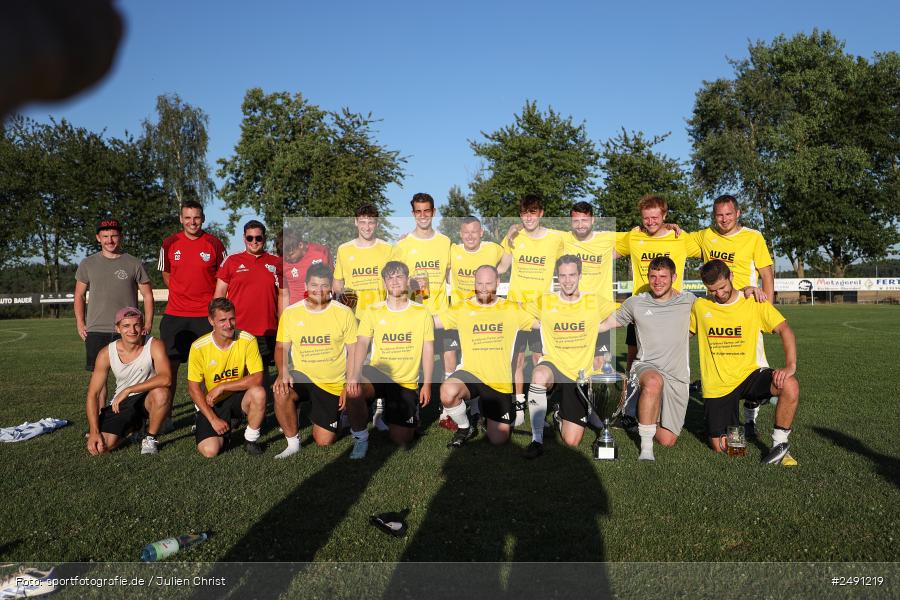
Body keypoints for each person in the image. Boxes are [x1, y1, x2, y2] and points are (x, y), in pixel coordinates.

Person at [691, 259, 800, 464]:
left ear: (731, 276)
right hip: (719, 386)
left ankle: (779, 446)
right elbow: (683, 334)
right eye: (713, 290)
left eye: (722, 287)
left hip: (750, 375)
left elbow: (785, 329)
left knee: (790, 385)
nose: (719, 294)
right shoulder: (700, 306)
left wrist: (790, 366)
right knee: (730, 448)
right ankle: (740, 425)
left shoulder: (753, 302)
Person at [687, 194, 775, 434]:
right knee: (721, 367)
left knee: (753, 369)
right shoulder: (706, 236)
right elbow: (677, 242)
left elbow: (766, 274)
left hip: (745, 309)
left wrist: (767, 309)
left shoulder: (753, 237)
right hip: (715, 312)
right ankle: (729, 413)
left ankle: (750, 421)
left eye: (728, 214)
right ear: (713, 216)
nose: (724, 219)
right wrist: (666, 226)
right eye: (719, 214)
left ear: (738, 213)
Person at [596, 257, 697, 461]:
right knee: (653, 382)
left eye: (663, 277)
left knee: (667, 440)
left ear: (674, 277)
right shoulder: (636, 303)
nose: (657, 281)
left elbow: (722, 306)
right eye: (653, 276)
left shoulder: (689, 301)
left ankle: (643, 413)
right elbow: (605, 325)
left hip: (677, 375)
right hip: (646, 366)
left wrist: (748, 290)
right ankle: (646, 449)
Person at [523, 255, 616, 459]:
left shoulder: (593, 301)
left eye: (572, 275)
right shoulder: (545, 301)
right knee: (539, 375)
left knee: (572, 441)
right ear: (557, 277)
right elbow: (519, 315)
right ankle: (536, 439)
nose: (567, 280)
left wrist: (601, 326)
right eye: (562, 276)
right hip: (554, 364)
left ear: (580, 275)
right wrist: (538, 324)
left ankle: (558, 415)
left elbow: (618, 316)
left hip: (580, 373)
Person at [435, 265, 537, 448]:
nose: (483, 287)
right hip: (471, 374)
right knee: (448, 391)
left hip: (499, 383)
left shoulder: (512, 309)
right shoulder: (463, 308)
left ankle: (482, 410)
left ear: (498, 283)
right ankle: (465, 427)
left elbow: (542, 324)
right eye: (479, 283)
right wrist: (405, 313)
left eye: (488, 283)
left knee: (498, 440)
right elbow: (433, 322)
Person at [346, 261, 434, 458]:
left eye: (399, 277)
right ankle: (360, 439)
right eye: (390, 278)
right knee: (354, 388)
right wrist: (353, 375)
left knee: (402, 440)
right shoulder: (372, 310)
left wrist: (427, 384)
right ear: (384, 283)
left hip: (406, 381)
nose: (394, 281)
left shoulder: (422, 312)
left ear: (407, 280)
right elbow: (361, 344)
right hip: (379, 372)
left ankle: (395, 413)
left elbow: (428, 349)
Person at [272, 263, 358, 457]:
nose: (318, 290)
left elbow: (354, 350)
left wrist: (347, 383)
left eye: (324, 285)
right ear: (305, 285)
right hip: (303, 376)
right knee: (280, 389)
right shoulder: (291, 313)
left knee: (324, 441)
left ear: (331, 288)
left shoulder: (343, 312)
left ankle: (342, 417)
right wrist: (283, 371)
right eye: (314, 285)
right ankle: (293, 444)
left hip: (332, 383)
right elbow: (280, 347)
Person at [615, 195, 701, 374]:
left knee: (670, 358)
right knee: (633, 357)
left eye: (655, 218)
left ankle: (668, 394)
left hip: (671, 308)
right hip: (641, 306)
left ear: (665, 216)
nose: (650, 222)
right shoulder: (634, 236)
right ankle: (628, 398)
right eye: (646, 218)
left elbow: (708, 251)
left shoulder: (680, 237)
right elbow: (608, 254)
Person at [498, 194, 565, 420]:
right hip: (516, 310)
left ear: (541, 214)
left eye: (533, 213)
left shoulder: (556, 238)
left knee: (539, 360)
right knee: (516, 359)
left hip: (541, 312)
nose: (528, 217)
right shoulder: (515, 237)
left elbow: (581, 244)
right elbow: (502, 267)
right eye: (525, 213)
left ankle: (539, 409)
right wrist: (507, 240)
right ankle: (518, 406)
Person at [75, 218, 153, 406]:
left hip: (129, 329)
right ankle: (101, 420)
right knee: (99, 381)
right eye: (105, 236)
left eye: (114, 236)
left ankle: (134, 421)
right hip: (97, 329)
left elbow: (148, 295)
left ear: (121, 237)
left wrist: (148, 322)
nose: (109, 240)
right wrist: (80, 322)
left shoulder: (134, 263)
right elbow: (79, 295)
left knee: (136, 377)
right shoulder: (88, 263)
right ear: (98, 238)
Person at [158, 200, 227, 404]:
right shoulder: (169, 243)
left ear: (203, 218)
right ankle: (165, 416)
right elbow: (166, 273)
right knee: (169, 368)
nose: (192, 222)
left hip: (205, 316)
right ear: (181, 219)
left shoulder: (215, 243)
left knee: (209, 368)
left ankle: (205, 414)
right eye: (187, 218)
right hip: (175, 315)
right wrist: (182, 293)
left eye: (196, 217)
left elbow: (224, 277)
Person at [85, 307, 172, 456]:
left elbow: (166, 378)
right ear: (117, 328)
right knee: (101, 448)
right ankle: (134, 430)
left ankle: (150, 437)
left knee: (162, 392)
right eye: (126, 326)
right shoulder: (106, 353)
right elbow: (93, 394)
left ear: (142, 326)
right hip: (121, 403)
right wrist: (94, 432)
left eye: (137, 325)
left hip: (147, 398)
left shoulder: (154, 344)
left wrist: (129, 389)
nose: (132, 330)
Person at [187, 298, 267, 457]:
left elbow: (257, 378)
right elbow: (193, 388)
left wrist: (222, 386)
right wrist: (212, 419)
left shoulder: (247, 340)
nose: (229, 325)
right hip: (213, 402)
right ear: (211, 321)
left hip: (237, 396)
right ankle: (220, 424)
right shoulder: (198, 347)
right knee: (210, 451)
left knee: (259, 392)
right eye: (222, 320)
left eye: (231, 319)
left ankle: (250, 440)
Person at [214, 220, 285, 367]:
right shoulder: (231, 261)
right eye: (250, 238)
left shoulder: (277, 262)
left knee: (262, 375)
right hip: (237, 329)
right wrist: (218, 322)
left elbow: (283, 296)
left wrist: (284, 324)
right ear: (244, 238)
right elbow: (219, 294)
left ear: (264, 238)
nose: (254, 242)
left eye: (258, 238)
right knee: (237, 373)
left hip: (268, 330)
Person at [561, 201, 622, 372]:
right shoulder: (563, 239)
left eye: (584, 220)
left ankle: (594, 399)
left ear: (593, 220)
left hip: (600, 313)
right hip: (573, 312)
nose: (580, 225)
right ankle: (572, 398)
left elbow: (640, 235)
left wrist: (666, 226)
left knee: (599, 362)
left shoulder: (608, 238)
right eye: (576, 221)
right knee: (573, 362)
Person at [333, 204, 393, 317]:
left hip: (380, 314)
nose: (367, 227)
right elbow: (337, 284)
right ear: (356, 222)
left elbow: (392, 283)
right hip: (352, 315)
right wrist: (345, 298)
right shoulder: (343, 249)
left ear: (377, 223)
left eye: (371, 222)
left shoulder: (388, 249)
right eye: (362, 222)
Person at [282, 226, 332, 306]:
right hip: (297, 312)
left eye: (291, 255)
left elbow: (333, 281)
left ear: (300, 245)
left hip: (321, 307)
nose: (287, 258)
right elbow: (284, 295)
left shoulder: (321, 252)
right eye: (285, 256)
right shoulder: (282, 263)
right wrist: (283, 317)